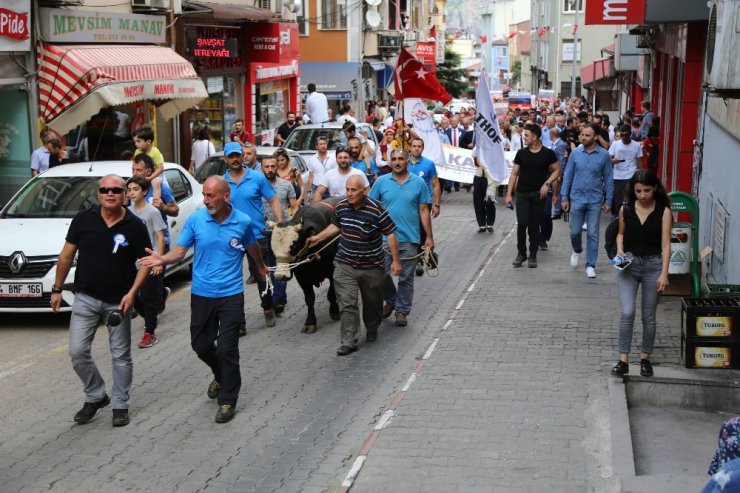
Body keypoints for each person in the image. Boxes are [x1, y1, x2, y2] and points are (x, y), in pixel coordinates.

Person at [140, 176, 269, 423]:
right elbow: (179, 252)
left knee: (228, 349)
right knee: (200, 345)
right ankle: (220, 375)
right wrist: (161, 259)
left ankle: (227, 401)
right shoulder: (197, 219)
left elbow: (252, 247)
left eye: (211, 196)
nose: (206, 200)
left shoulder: (242, 222)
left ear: (226, 196)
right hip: (202, 294)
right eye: (205, 195)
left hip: (231, 295)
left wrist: (261, 267)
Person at [51, 175, 152, 427]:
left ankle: (120, 404)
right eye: (105, 190)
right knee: (76, 351)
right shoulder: (84, 219)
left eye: (116, 190)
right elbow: (65, 256)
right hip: (85, 297)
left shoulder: (135, 225)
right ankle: (96, 395)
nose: (110, 194)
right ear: (99, 193)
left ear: (124, 195)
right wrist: (56, 289)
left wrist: (133, 293)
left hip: (119, 302)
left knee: (120, 355)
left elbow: (146, 263)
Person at [306, 175, 401, 355]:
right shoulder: (341, 207)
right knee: (347, 303)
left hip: (371, 266)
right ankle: (349, 340)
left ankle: (372, 327)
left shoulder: (377, 209)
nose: (349, 194)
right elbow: (336, 226)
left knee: (372, 303)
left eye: (353, 190)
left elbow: (390, 234)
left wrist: (396, 261)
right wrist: (318, 238)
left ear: (364, 191)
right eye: (347, 189)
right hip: (345, 264)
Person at [610, 169, 672, 378]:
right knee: (627, 312)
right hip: (629, 264)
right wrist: (619, 249)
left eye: (647, 190)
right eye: (638, 191)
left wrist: (664, 273)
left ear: (654, 188)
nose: (643, 195)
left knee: (649, 316)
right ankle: (623, 359)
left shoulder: (663, 211)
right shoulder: (626, 209)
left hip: (654, 265)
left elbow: (665, 245)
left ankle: (646, 357)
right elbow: (620, 234)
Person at [222, 142, 284, 333]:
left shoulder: (257, 178)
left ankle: (267, 307)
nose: (234, 159)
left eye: (237, 155)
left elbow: (273, 199)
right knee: (232, 280)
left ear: (243, 156)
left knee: (262, 275)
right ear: (225, 159)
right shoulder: (222, 183)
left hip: (256, 235)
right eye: (230, 156)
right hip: (231, 238)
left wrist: (280, 223)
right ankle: (238, 322)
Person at [369, 149, 434, 327]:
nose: (397, 162)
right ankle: (391, 299)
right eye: (394, 159)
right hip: (382, 239)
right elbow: (371, 208)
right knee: (380, 274)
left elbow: (423, 210)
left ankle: (401, 311)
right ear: (390, 162)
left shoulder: (419, 182)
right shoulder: (381, 182)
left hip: (409, 239)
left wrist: (428, 237)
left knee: (406, 278)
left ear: (407, 162)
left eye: (401, 159)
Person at [560, 123, 614, 278]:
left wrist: (609, 200)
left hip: (595, 199)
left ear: (596, 136)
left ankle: (590, 265)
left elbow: (609, 179)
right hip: (576, 197)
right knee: (575, 231)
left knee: (593, 233)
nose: (583, 137)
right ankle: (576, 249)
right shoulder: (575, 153)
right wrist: (564, 197)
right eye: (582, 134)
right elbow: (568, 176)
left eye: (587, 135)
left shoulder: (604, 155)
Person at [505, 124, 561, 268]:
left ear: (535, 137)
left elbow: (557, 170)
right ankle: (521, 253)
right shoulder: (521, 153)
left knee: (534, 225)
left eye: (527, 135)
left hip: (538, 194)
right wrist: (509, 194)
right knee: (522, 223)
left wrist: (547, 184)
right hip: (522, 193)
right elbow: (514, 174)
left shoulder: (548, 154)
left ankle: (533, 255)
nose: (524, 138)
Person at [125, 176, 167, 348]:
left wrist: (158, 261)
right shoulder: (127, 212)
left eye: (136, 189)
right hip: (131, 262)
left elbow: (160, 236)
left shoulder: (152, 212)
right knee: (133, 296)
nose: (132, 193)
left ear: (144, 191)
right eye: (129, 189)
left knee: (148, 298)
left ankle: (150, 333)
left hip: (149, 261)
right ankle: (158, 303)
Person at [262, 155, 296, 313]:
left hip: (282, 232)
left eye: (272, 166)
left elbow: (294, 207)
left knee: (281, 264)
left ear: (277, 167)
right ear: (262, 168)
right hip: (263, 232)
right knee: (269, 265)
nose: (270, 169)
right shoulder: (257, 186)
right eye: (266, 167)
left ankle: (279, 298)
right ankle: (275, 295)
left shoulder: (286, 185)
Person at [609, 124, 643, 217]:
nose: (623, 137)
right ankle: (618, 217)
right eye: (621, 135)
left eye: (626, 135)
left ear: (630, 134)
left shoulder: (636, 145)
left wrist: (641, 174)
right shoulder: (615, 144)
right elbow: (608, 158)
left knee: (629, 198)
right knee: (618, 199)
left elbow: (639, 161)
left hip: (631, 174)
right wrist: (613, 161)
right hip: (618, 175)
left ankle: (630, 216)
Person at [305, 136, 337, 203]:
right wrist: (308, 191)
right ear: (316, 146)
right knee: (315, 209)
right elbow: (311, 176)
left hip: (329, 188)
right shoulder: (312, 159)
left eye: (324, 143)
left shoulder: (333, 158)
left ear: (327, 144)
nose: (323, 146)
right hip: (315, 188)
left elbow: (336, 174)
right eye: (320, 144)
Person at [472, 156, 497, 233]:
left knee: (490, 201)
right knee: (478, 201)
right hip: (478, 177)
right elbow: (476, 162)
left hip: (491, 177)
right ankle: (482, 225)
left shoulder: (494, 148)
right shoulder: (477, 148)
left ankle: (490, 224)